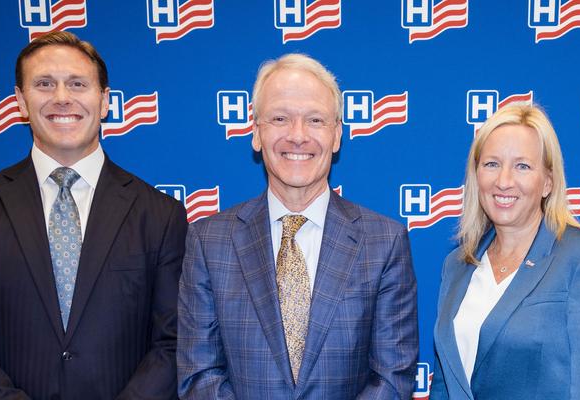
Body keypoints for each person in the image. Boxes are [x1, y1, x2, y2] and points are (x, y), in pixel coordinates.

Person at [0, 32, 186, 399]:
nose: (62, 98)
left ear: (104, 101)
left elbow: (174, 341)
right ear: (21, 100)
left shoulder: (160, 215)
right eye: (44, 84)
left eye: (77, 84)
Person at [177, 53, 418, 399]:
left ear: (337, 135)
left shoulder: (384, 242)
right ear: (256, 132)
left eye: (315, 120)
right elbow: (200, 374)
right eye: (279, 118)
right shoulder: (209, 241)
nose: (297, 136)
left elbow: (393, 378)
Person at [429, 104, 580, 399]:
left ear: (548, 181)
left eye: (522, 166)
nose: (504, 181)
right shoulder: (457, 265)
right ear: (476, 175)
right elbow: (445, 384)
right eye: (492, 164)